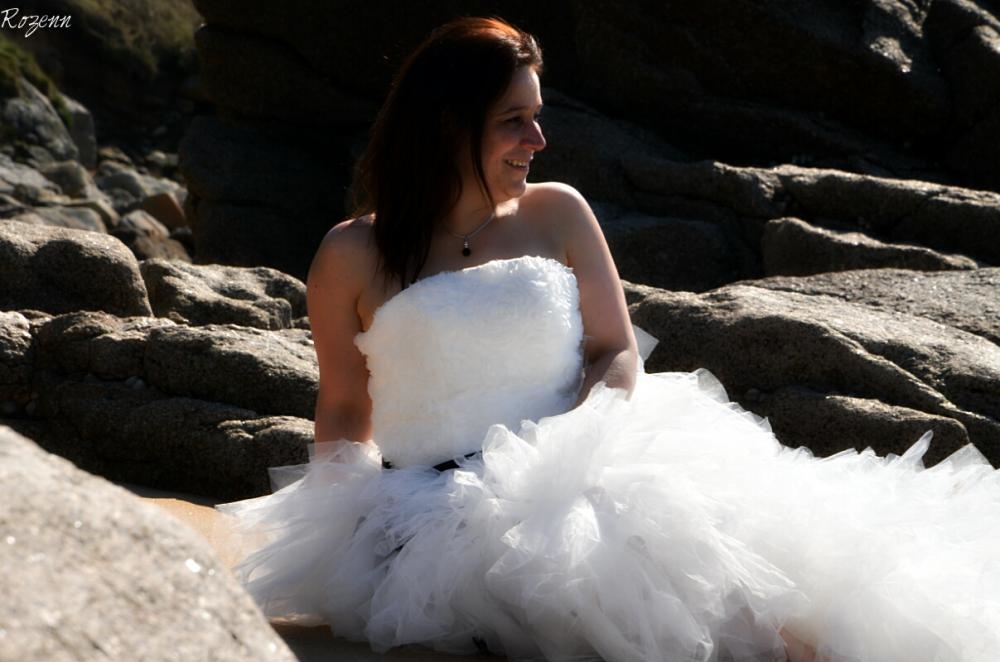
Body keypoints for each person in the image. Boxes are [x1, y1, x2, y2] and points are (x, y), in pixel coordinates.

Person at [218, 17, 1000, 662]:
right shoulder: (351, 253)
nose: (538, 139)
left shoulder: (558, 211)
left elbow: (615, 349)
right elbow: (345, 407)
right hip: (429, 507)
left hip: (583, 464)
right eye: (514, 120)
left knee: (775, 606)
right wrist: (344, 533)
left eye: (537, 116)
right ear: (448, 125)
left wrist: (578, 444)